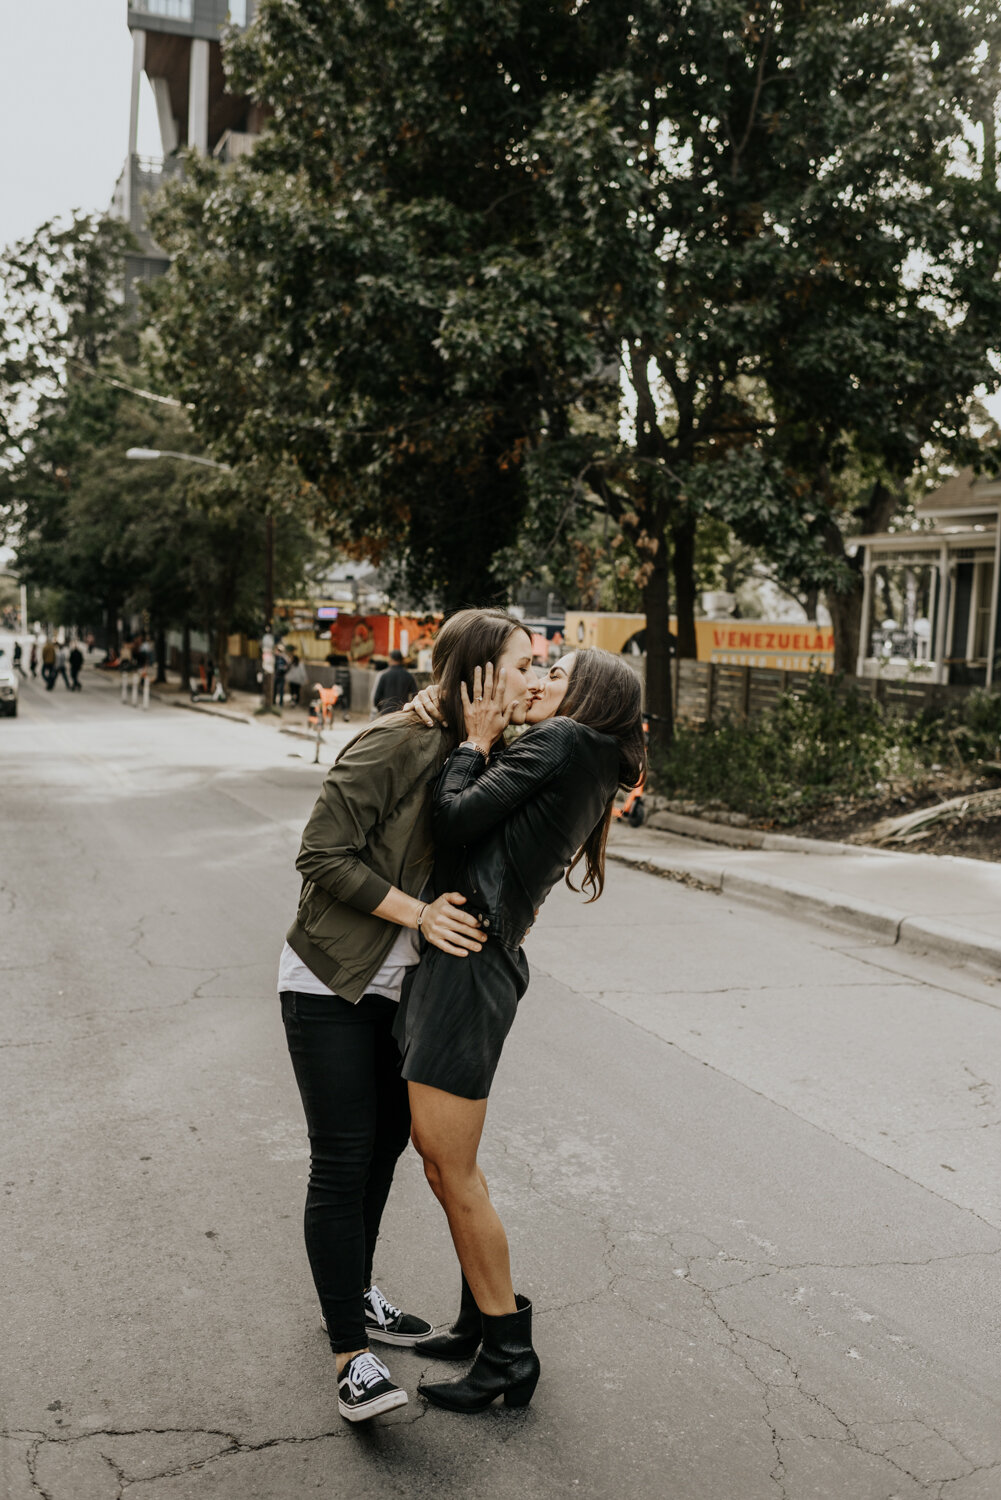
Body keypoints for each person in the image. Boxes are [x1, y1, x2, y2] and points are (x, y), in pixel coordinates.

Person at [278, 607, 536, 1423]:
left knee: (386, 1151)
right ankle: (350, 1355)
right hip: (333, 979)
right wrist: (416, 916)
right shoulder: (397, 739)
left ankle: (355, 1294)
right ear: (476, 676)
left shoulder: (481, 754)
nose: (533, 677)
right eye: (520, 665)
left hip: (405, 991)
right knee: (343, 1159)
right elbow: (320, 853)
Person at [396, 648, 645, 1413]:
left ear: (590, 696)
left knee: (451, 1166)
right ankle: (479, 1319)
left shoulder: (566, 742)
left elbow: (455, 817)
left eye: (555, 676)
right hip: (478, 959)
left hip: (470, 962)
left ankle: (507, 1353)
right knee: (443, 1165)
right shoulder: (586, 753)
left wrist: (472, 742)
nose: (535, 683)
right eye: (535, 670)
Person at [372, 649, 418, 716]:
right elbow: (415, 695)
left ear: (390, 659)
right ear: (401, 660)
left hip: (385, 713)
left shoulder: (384, 675)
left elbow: (376, 699)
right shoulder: (409, 676)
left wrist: (381, 710)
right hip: (402, 713)